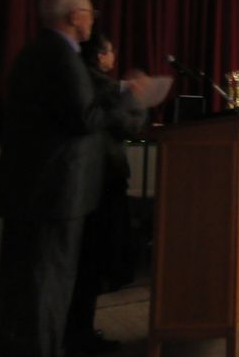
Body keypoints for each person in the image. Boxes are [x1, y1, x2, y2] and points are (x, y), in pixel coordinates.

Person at [0, 0, 147, 357]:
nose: (92, 20)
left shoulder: (41, 51)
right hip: (51, 191)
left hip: (37, 188)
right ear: (75, 16)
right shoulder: (59, 54)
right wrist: (130, 96)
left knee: (29, 285)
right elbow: (85, 118)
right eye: (90, 13)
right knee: (44, 285)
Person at [64, 32, 148, 354]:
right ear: (100, 56)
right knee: (93, 259)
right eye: (110, 51)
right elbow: (130, 126)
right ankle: (79, 334)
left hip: (88, 179)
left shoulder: (84, 79)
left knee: (86, 260)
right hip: (102, 180)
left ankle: (75, 330)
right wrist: (137, 97)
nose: (114, 57)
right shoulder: (104, 86)